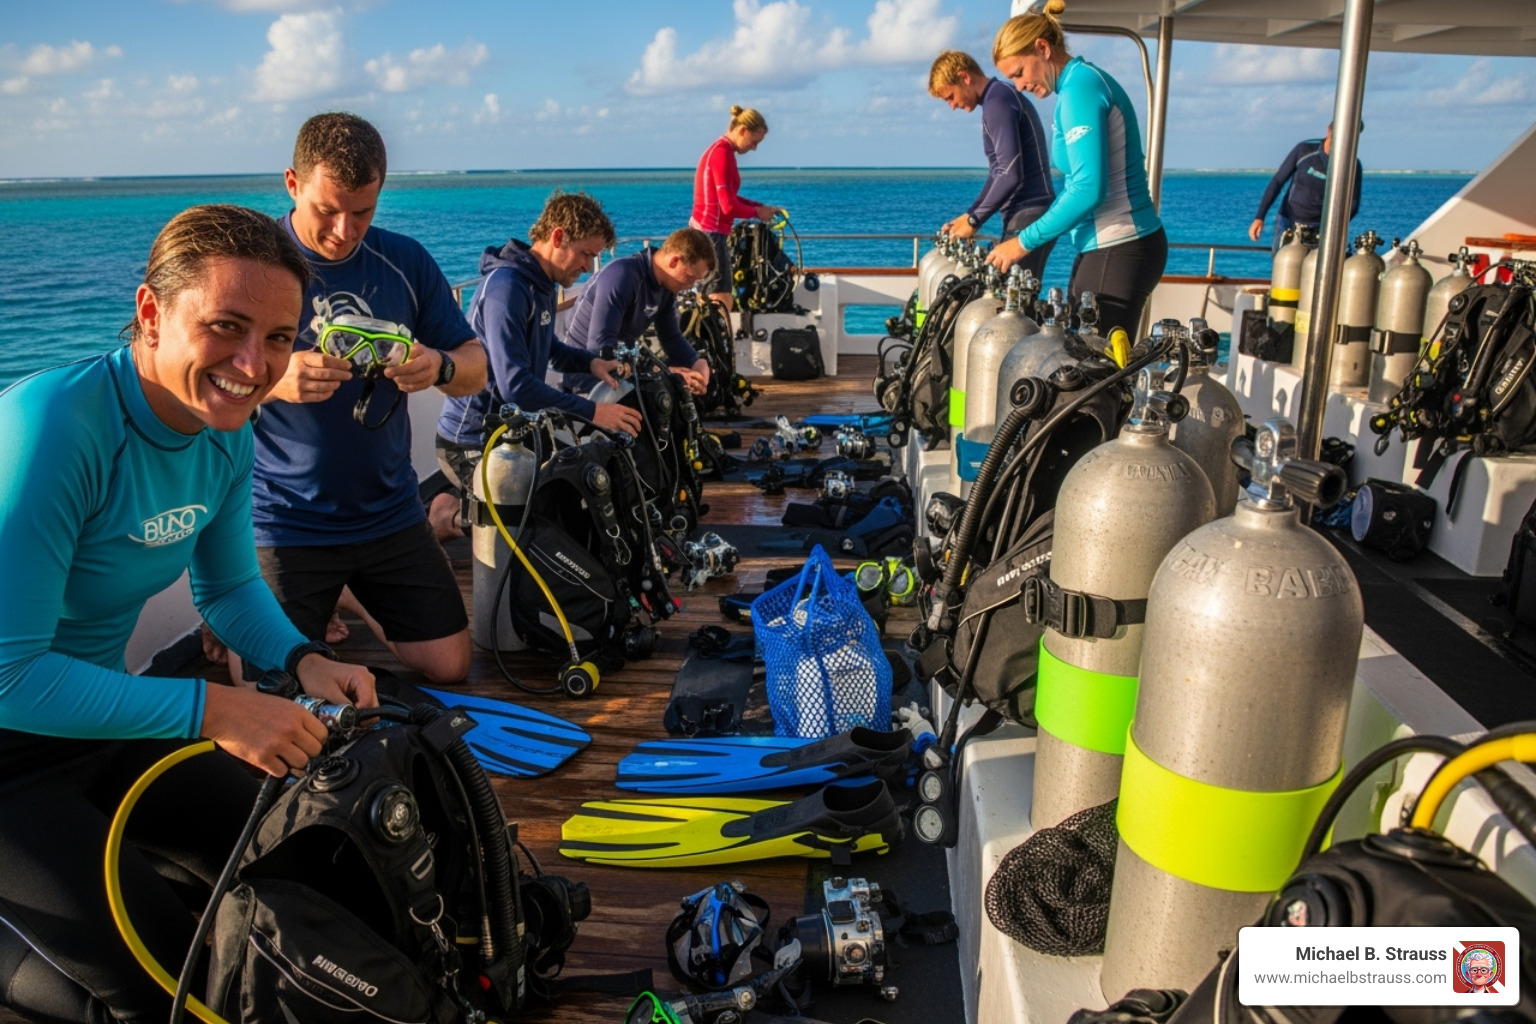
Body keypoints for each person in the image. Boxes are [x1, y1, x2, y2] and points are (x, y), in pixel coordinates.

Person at [0, 204, 377, 1023]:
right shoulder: (54, 427)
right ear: (150, 312)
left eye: (278, 338)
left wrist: (305, 661)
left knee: (310, 872)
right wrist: (215, 709)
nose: (254, 363)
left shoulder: (224, 431)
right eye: (226, 327)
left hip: (105, 722)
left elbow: (229, 589)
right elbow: (10, 676)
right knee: (173, 986)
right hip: (9, 757)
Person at [250, 112, 488, 685]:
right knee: (264, 686)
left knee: (451, 667)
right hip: (285, 520)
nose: (343, 231)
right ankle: (324, 594)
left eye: (363, 212)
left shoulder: (404, 261)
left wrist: (440, 365)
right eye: (326, 210)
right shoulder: (252, 263)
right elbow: (189, 375)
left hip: (388, 512)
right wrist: (273, 380)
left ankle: (351, 592)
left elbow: (475, 369)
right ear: (292, 184)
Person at [432, 191, 639, 537]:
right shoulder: (507, 288)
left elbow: (549, 346)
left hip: (512, 432)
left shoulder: (541, 283)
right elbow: (515, 386)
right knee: (519, 528)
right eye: (586, 254)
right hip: (469, 440)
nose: (589, 267)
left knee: (559, 509)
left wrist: (591, 364)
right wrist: (592, 412)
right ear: (558, 237)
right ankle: (447, 516)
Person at [986, 0, 1168, 338]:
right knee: (1084, 366)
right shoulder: (1072, 89)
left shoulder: (1080, 89)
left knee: (1095, 376)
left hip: (1120, 244)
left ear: (1042, 48)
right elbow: (1075, 186)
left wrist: (1023, 242)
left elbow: (1087, 188)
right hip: (1103, 246)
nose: (1020, 86)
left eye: (1019, 73)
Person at [929, 49, 1057, 281]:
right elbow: (998, 172)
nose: (952, 105)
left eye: (950, 96)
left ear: (964, 77)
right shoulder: (998, 98)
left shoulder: (997, 102)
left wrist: (974, 220)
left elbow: (1010, 174)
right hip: (1026, 214)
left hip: (1029, 214)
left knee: (1010, 308)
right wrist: (969, 215)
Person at [561, 227, 715, 397]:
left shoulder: (666, 287)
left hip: (621, 370)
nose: (691, 286)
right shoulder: (622, 276)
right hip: (586, 374)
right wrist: (662, 371)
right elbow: (600, 347)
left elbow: (671, 338)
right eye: (690, 277)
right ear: (674, 261)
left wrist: (697, 362)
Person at [691, 105, 783, 313]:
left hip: (708, 231)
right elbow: (729, 206)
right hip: (710, 233)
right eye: (754, 142)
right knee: (720, 296)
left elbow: (728, 197)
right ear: (742, 130)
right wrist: (757, 213)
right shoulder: (721, 153)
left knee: (714, 293)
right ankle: (720, 344)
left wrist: (759, 207)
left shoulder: (722, 151)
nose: (754, 148)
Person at [1248, 122, 1364, 252]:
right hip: (1289, 220)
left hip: (1321, 227)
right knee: (1284, 264)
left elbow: (1352, 204)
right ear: (1329, 131)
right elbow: (1277, 181)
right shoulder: (1305, 150)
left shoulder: (1352, 165)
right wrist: (1259, 217)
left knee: (1314, 269)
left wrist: (1333, 228)